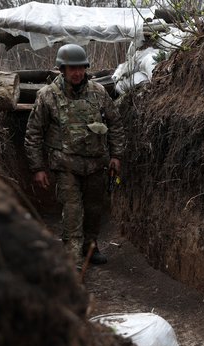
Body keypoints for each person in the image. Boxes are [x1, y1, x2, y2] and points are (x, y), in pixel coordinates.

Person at [25, 43, 125, 266]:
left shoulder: (98, 93)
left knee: (94, 208)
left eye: (81, 68)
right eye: (72, 69)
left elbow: (115, 123)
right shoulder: (47, 96)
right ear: (62, 69)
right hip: (65, 165)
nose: (77, 73)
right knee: (72, 210)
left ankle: (91, 248)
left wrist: (116, 155)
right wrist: (38, 168)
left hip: (95, 163)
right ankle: (72, 255)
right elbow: (33, 133)